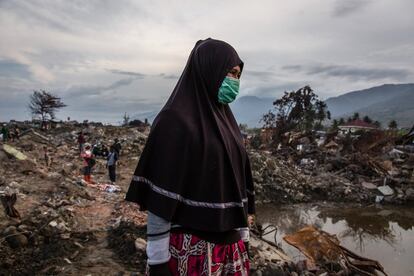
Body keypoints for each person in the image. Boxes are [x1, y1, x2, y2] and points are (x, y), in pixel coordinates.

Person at [126, 38, 255, 275]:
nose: (234, 81)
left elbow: (238, 184)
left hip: (230, 251)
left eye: (237, 75)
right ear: (209, 69)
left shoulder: (229, 124)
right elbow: (160, 199)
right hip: (189, 253)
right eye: (229, 73)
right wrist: (158, 261)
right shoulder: (174, 122)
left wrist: (244, 238)